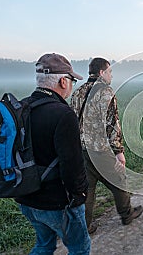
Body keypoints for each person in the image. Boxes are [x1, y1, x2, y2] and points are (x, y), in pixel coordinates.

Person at [14, 53, 91, 255]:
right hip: (57, 202)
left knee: (44, 245)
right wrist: (80, 195)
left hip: (26, 197)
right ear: (63, 81)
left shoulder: (21, 107)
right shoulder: (63, 114)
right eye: (72, 80)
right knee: (79, 248)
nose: (72, 85)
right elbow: (72, 165)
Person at [70, 57, 143, 234]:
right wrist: (118, 151)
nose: (111, 75)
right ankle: (126, 215)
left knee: (87, 188)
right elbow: (112, 124)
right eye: (110, 72)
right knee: (118, 180)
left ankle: (85, 226)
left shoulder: (78, 92)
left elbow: (72, 120)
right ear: (102, 72)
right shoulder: (106, 92)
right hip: (100, 150)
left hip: (81, 149)